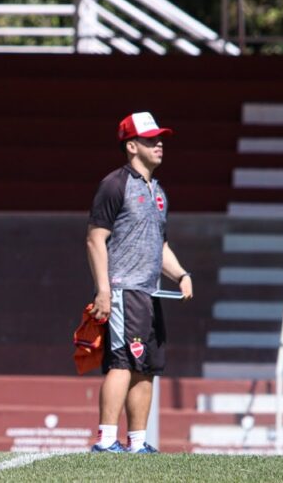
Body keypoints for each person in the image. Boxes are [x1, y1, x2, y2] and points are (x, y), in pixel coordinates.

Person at [85, 112, 194, 454]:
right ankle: (105, 440)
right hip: (122, 289)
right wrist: (104, 289)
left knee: (147, 368)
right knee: (122, 363)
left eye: (159, 138)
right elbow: (94, 239)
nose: (159, 144)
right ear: (131, 146)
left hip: (149, 291)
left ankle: (137, 442)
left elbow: (158, 246)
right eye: (150, 139)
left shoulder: (158, 191)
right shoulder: (115, 184)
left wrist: (181, 274)